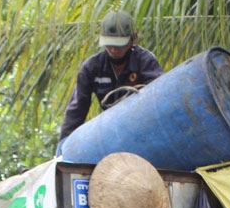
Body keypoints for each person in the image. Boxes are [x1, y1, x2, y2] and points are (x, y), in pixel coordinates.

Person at [58, 11, 165, 141]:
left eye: (119, 44)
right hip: (110, 133)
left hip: (142, 130)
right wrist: (64, 143)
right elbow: (76, 109)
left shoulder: (145, 62)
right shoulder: (92, 67)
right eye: (109, 44)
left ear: (133, 39)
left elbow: (160, 97)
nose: (114, 50)